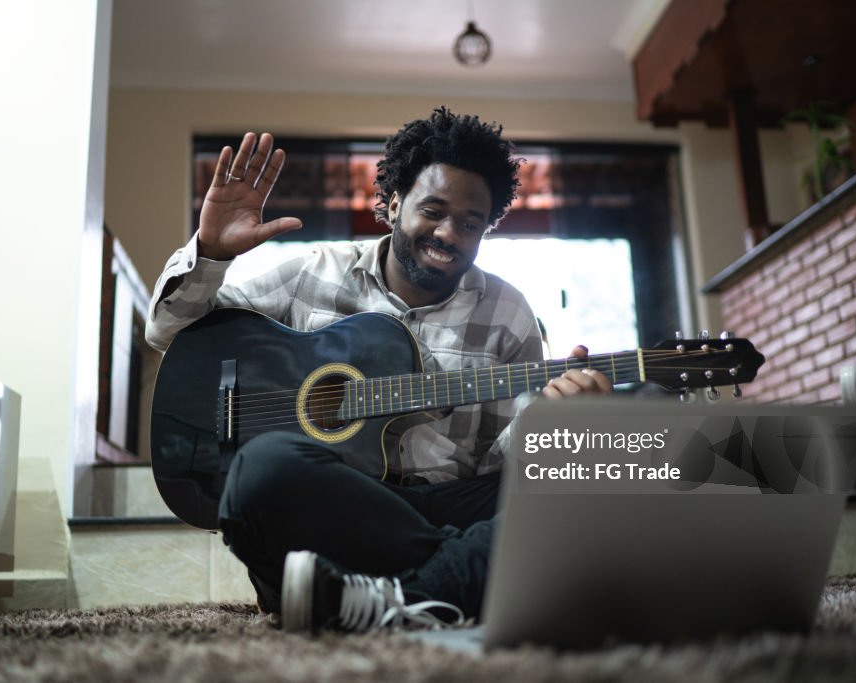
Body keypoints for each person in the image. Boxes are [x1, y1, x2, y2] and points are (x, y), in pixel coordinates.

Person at [145, 108, 612, 632]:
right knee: (260, 466)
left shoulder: (508, 312)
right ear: (392, 204)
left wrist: (549, 422)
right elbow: (167, 331)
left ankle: (375, 599)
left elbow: (499, 465)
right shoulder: (311, 273)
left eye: (469, 222)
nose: (448, 233)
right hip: (342, 512)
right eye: (433, 210)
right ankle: (460, 582)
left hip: (451, 506)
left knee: (602, 459)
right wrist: (209, 254)